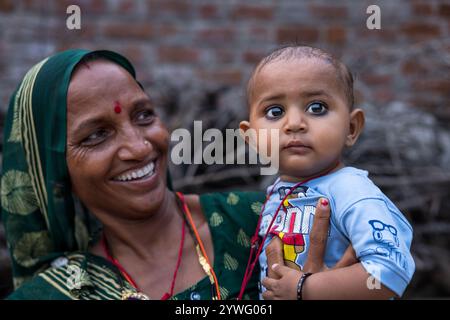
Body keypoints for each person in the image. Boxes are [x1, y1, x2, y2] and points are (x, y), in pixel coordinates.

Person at [1, 49, 345, 300]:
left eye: (143, 115)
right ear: (55, 171)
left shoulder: (269, 222)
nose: (139, 147)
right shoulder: (54, 295)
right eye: (97, 135)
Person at [239, 45, 415, 299]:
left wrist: (304, 289)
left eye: (317, 107)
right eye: (275, 111)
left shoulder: (351, 190)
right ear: (251, 137)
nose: (295, 124)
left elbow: (390, 269)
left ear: (351, 128)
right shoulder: (276, 195)